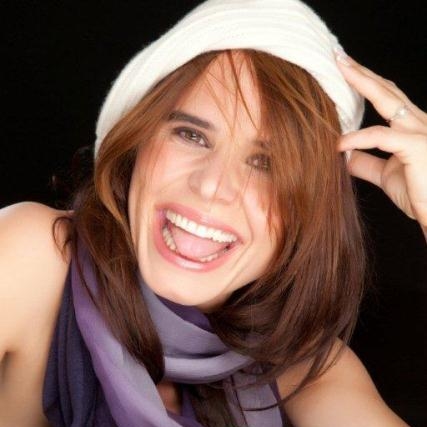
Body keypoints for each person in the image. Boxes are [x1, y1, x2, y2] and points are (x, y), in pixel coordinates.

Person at [0, 0, 426, 426]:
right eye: (191, 135)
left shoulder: (304, 369)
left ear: (310, 212)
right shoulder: (34, 256)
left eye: (267, 164)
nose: (212, 186)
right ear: (137, 139)